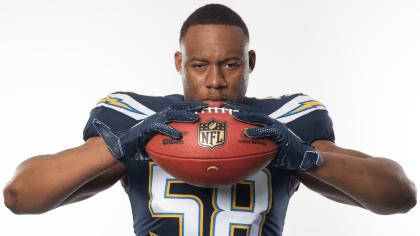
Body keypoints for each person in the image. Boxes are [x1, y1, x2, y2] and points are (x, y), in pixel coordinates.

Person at [3, 4, 417, 236]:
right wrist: (121, 145)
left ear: (250, 62)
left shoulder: (284, 120)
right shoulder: (137, 117)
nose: (215, 82)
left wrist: (306, 157)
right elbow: (19, 197)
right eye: (200, 65)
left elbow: (401, 195)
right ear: (180, 62)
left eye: (231, 64)